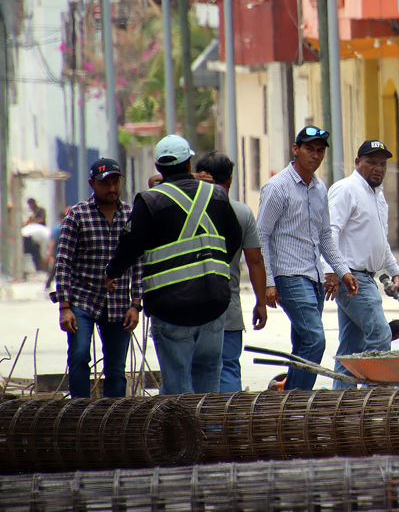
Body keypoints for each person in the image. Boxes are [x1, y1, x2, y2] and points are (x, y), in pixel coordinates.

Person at [106, 135, 242, 395]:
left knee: (178, 387)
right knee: (209, 384)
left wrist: (111, 273)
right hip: (214, 302)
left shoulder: (149, 201)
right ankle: (208, 434)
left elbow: (130, 246)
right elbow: (234, 238)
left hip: (171, 308)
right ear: (190, 164)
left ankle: (183, 436)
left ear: (158, 167)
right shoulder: (217, 194)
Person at [256, 126, 344, 391]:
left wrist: (342, 270)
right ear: (296, 150)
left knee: (303, 341)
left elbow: (325, 235)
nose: (314, 155)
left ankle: (286, 392)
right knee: (316, 339)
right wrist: (269, 282)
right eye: (309, 149)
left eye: (320, 151)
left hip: (313, 276)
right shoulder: (277, 187)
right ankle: (296, 399)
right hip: (288, 275)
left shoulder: (320, 188)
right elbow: (261, 235)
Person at [54, 158, 142, 398]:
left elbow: (139, 264)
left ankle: (112, 421)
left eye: (115, 182)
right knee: (80, 355)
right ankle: (79, 413)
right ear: (92, 184)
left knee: (116, 368)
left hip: (119, 304)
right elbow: (63, 263)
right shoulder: (77, 216)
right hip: (82, 300)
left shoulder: (132, 216)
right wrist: (64, 307)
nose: (112, 188)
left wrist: (136, 304)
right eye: (105, 183)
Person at [325, 140, 399, 387]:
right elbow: (330, 232)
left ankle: (341, 407)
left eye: (383, 164)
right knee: (380, 335)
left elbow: (380, 240)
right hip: (352, 278)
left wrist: (394, 270)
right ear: (358, 163)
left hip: (366, 277)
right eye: (371, 162)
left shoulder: (377, 196)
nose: (378, 168)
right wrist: (332, 271)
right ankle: (374, 404)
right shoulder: (346, 189)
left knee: (351, 347)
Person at [194, 151, 271, 392]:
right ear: (230, 180)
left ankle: (192, 425)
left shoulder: (179, 208)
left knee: (190, 369)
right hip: (228, 305)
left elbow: (154, 187)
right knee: (227, 368)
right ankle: (228, 426)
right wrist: (260, 302)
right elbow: (255, 261)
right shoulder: (241, 212)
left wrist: (188, 179)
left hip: (187, 305)